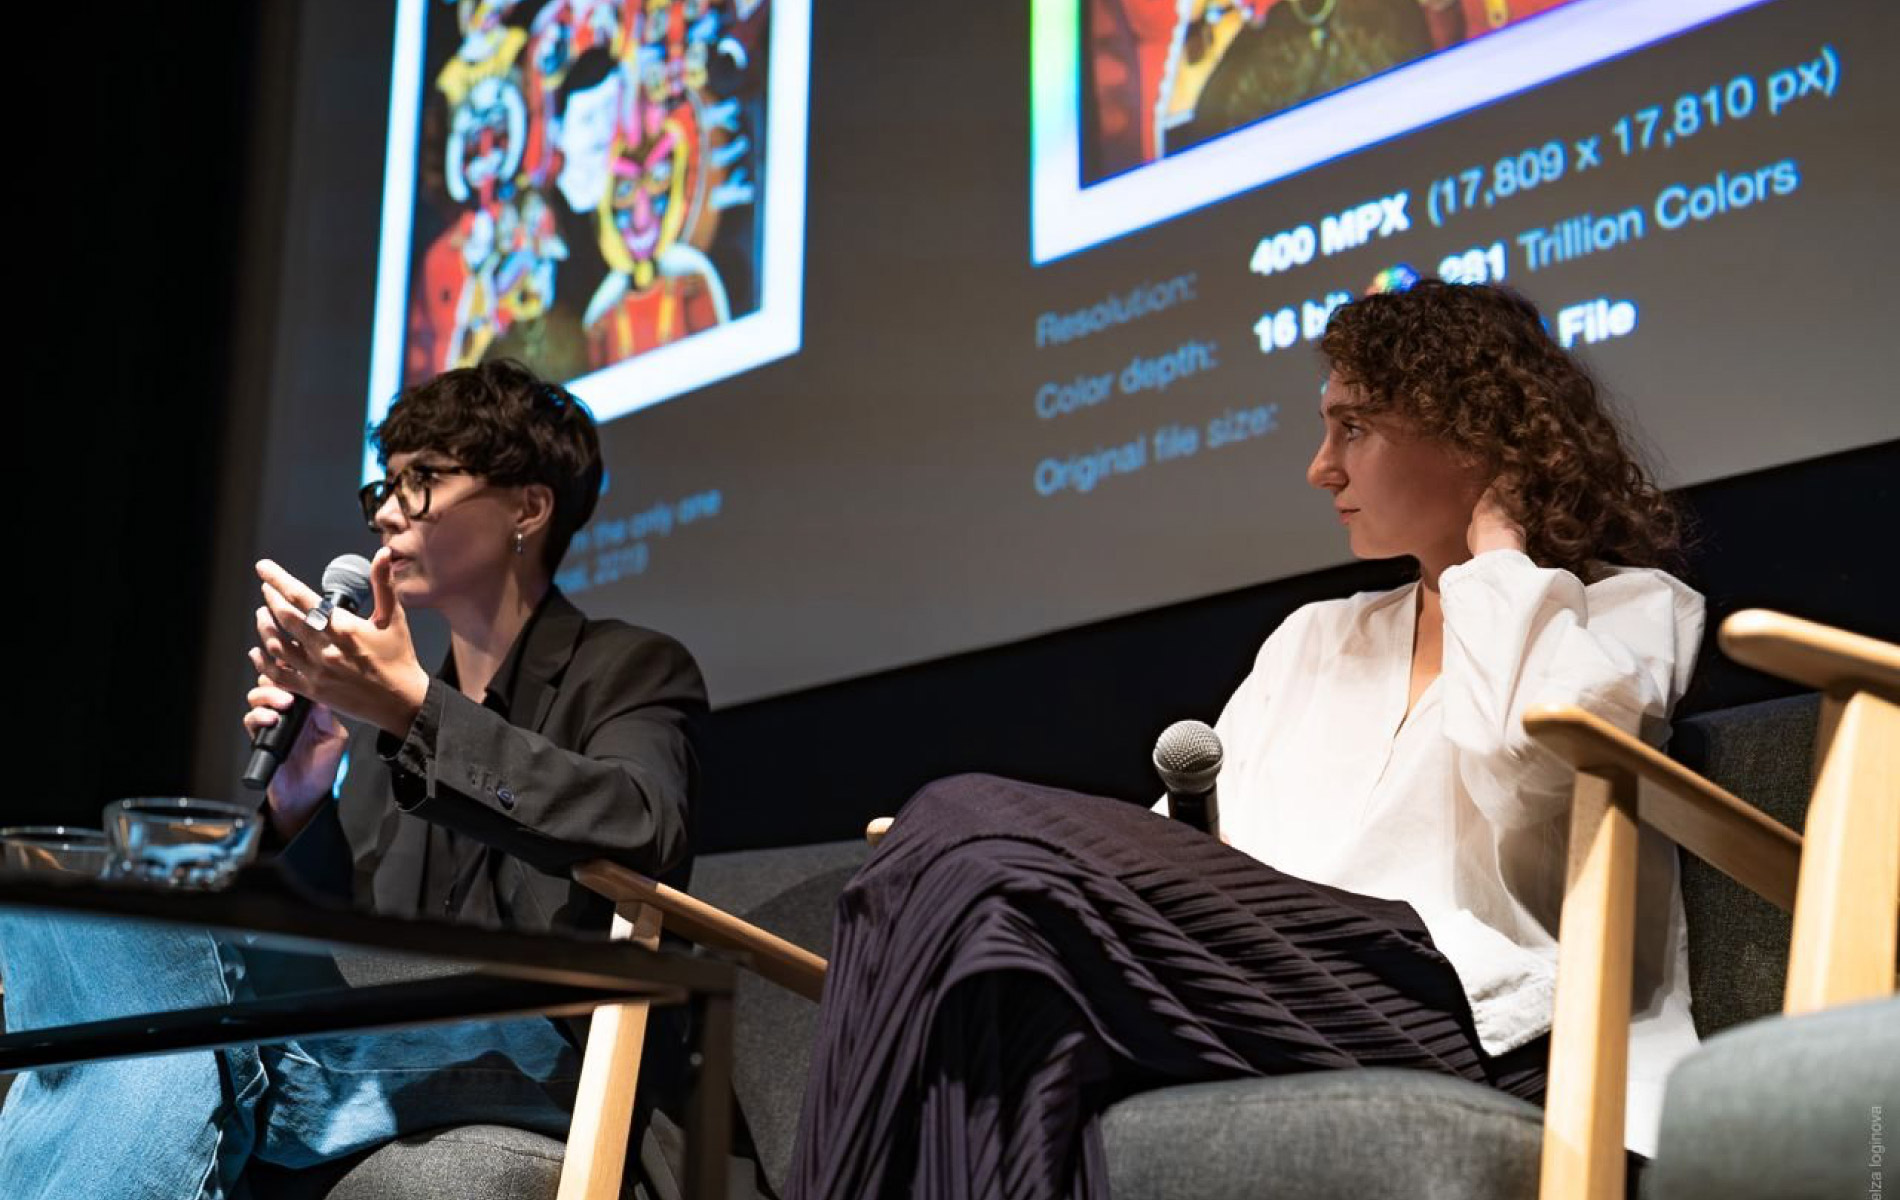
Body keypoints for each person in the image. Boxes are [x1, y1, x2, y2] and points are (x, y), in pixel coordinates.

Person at [784, 280, 1702, 1200]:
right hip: (1285, 994)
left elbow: (1527, 766)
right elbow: (1175, 869)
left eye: (1355, 428)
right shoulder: (1315, 636)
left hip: (1486, 1016)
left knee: (961, 825)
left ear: (1470, 431)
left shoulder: (1626, 611)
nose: (1321, 467)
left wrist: (1499, 548)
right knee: (1006, 987)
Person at [0, 359, 715, 1200]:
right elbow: (342, 943)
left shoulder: (631, 668)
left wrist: (417, 710)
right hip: (392, 1038)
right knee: (75, 913)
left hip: (555, 1050)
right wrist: (300, 801)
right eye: (384, 482)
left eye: (423, 481)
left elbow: (643, 822)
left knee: (167, 1003)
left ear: (528, 506)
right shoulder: (390, 727)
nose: (385, 510)